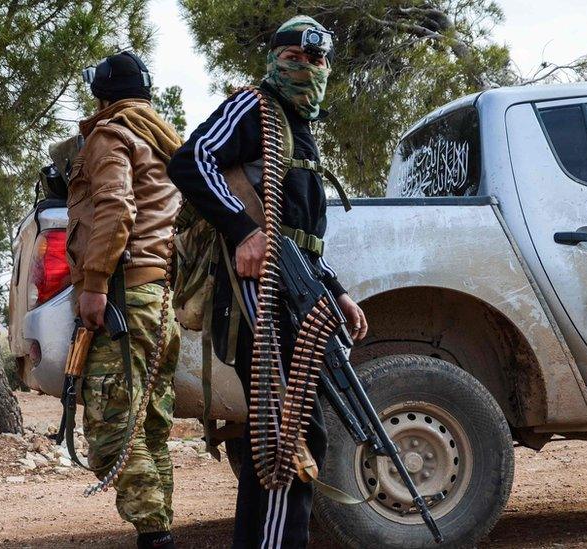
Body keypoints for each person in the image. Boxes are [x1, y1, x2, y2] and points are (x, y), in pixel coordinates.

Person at [167, 16, 368, 549]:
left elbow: (300, 236)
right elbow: (190, 160)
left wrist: (337, 290)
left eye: (316, 59)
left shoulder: (299, 130)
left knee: (278, 439)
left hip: (296, 295)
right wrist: (242, 230)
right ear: (274, 60)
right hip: (259, 298)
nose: (305, 69)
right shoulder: (253, 108)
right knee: (291, 440)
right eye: (293, 58)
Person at [68, 51, 182, 549]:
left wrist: (94, 284)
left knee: (117, 429)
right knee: (150, 427)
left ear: (102, 93)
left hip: (122, 298)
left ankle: (155, 537)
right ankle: (160, 532)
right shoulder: (163, 140)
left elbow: (115, 206)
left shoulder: (109, 135)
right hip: (157, 300)